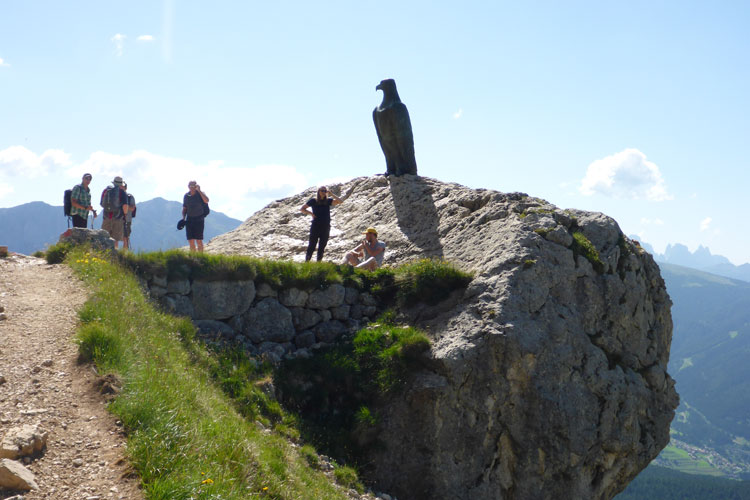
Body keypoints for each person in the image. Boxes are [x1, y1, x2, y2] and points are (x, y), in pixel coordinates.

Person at [300, 185, 354, 262]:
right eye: (322, 190)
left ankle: (319, 263)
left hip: (326, 226)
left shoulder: (328, 201)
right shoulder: (313, 201)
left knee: (322, 246)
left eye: (325, 191)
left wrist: (331, 194)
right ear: (318, 192)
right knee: (312, 245)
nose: (323, 192)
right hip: (315, 225)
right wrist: (311, 213)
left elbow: (340, 202)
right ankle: (307, 262)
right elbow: (302, 208)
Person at [101, 176, 129, 249]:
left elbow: (101, 204)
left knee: (104, 237)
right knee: (115, 239)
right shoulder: (122, 192)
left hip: (106, 217)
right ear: (121, 184)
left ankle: (104, 253)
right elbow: (125, 206)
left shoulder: (106, 191)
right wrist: (125, 214)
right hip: (118, 218)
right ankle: (114, 253)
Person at [182, 180, 209, 252]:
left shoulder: (201, 194)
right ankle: (193, 257)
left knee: (199, 240)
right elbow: (184, 208)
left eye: (193, 185)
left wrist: (199, 191)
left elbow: (206, 200)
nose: (192, 187)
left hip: (199, 219)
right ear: (188, 186)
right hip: (189, 220)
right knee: (190, 240)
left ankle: (200, 256)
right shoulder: (186, 196)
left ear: (196, 186)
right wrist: (183, 219)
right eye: (190, 186)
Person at [122, 182, 136, 250]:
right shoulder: (118, 196)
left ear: (126, 188)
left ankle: (124, 252)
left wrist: (123, 207)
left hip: (127, 220)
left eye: (123, 187)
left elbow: (133, 208)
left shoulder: (130, 197)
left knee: (126, 237)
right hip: (119, 219)